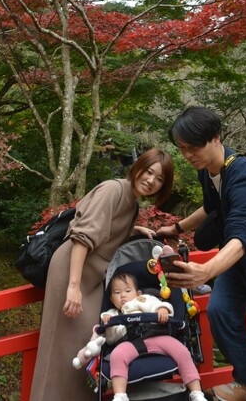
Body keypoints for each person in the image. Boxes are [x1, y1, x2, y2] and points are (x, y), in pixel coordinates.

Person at [156, 106, 246, 401]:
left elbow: (242, 234)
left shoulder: (245, 177)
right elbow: (212, 207)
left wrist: (206, 270)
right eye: (182, 149)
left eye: (193, 147)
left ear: (216, 137)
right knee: (220, 312)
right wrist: (176, 227)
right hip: (241, 263)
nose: (188, 155)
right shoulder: (209, 171)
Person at [29, 148, 174, 401]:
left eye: (159, 178)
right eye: (149, 171)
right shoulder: (113, 190)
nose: (151, 180)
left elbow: (108, 234)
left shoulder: (131, 202)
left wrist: (135, 229)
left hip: (92, 277)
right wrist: (72, 286)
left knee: (87, 345)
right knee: (60, 350)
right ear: (138, 166)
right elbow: (83, 237)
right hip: (74, 269)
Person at [73, 271, 206, 401]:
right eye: (117, 293)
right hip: (130, 343)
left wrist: (162, 309)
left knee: (182, 351)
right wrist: (109, 324)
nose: (122, 296)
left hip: (157, 336)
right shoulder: (112, 314)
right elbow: (111, 339)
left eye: (127, 291)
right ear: (111, 299)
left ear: (138, 293)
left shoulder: (144, 300)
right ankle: (120, 395)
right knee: (117, 355)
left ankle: (196, 392)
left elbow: (160, 305)